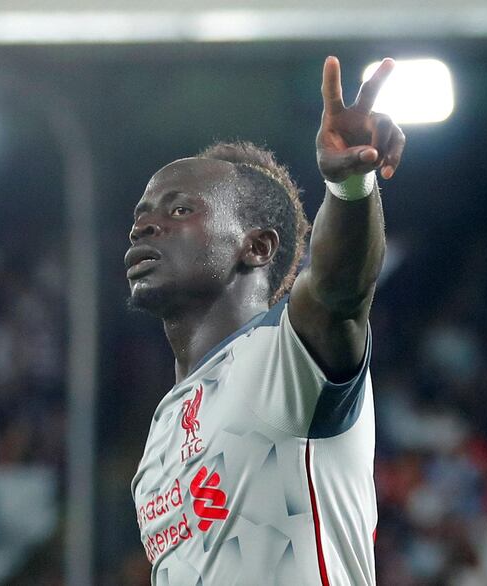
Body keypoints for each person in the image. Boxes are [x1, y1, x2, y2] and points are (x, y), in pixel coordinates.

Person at [126, 57, 405, 585]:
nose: (145, 226)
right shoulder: (162, 433)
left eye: (179, 210)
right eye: (142, 214)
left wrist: (349, 190)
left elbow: (339, 290)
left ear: (256, 246)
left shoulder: (281, 356)